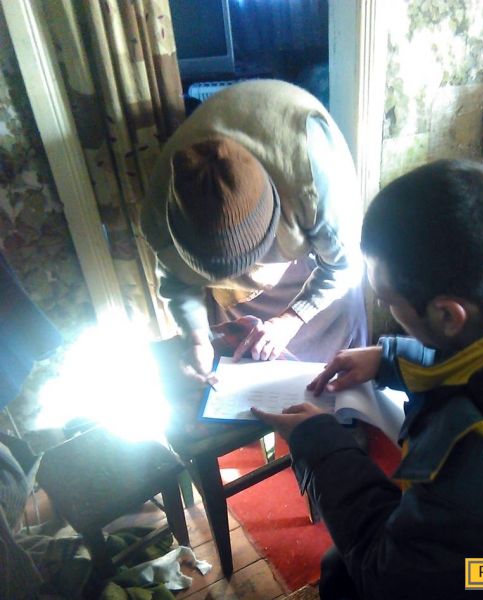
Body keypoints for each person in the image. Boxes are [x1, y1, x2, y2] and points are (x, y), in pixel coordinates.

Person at [252, 160, 483, 599]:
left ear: (447, 315)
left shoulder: (476, 473)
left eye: (388, 300)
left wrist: (322, 444)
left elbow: (389, 578)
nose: (388, 310)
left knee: (352, 577)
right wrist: (391, 359)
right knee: (342, 566)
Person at [141, 79, 366, 382]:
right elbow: (177, 282)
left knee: (333, 379)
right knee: (246, 366)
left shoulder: (311, 173)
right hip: (235, 297)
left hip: (311, 270)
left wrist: (291, 319)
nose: (245, 273)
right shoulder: (160, 214)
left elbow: (344, 266)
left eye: (248, 262)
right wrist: (196, 339)